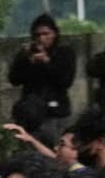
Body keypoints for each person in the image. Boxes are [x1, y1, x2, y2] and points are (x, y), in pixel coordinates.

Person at [8, 13, 77, 143]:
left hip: (55, 111)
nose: (42, 38)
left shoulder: (64, 52)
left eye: (46, 34)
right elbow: (14, 79)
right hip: (31, 112)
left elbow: (66, 80)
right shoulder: (28, 54)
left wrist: (47, 61)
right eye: (38, 35)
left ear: (54, 34)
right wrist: (24, 59)